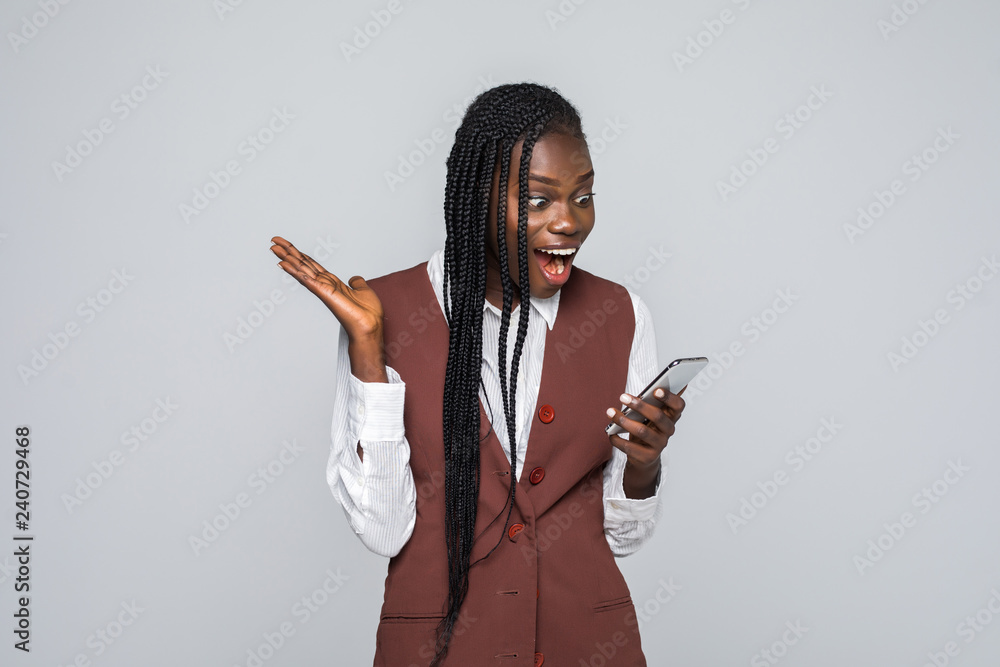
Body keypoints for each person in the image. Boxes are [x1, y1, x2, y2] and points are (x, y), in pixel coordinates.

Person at [270, 82, 687, 666]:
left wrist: (644, 464)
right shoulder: (380, 315)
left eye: (584, 196)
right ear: (476, 196)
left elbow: (623, 537)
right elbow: (385, 531)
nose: (569, 222)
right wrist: (369, 350)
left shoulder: (622, 315)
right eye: (539, 200)